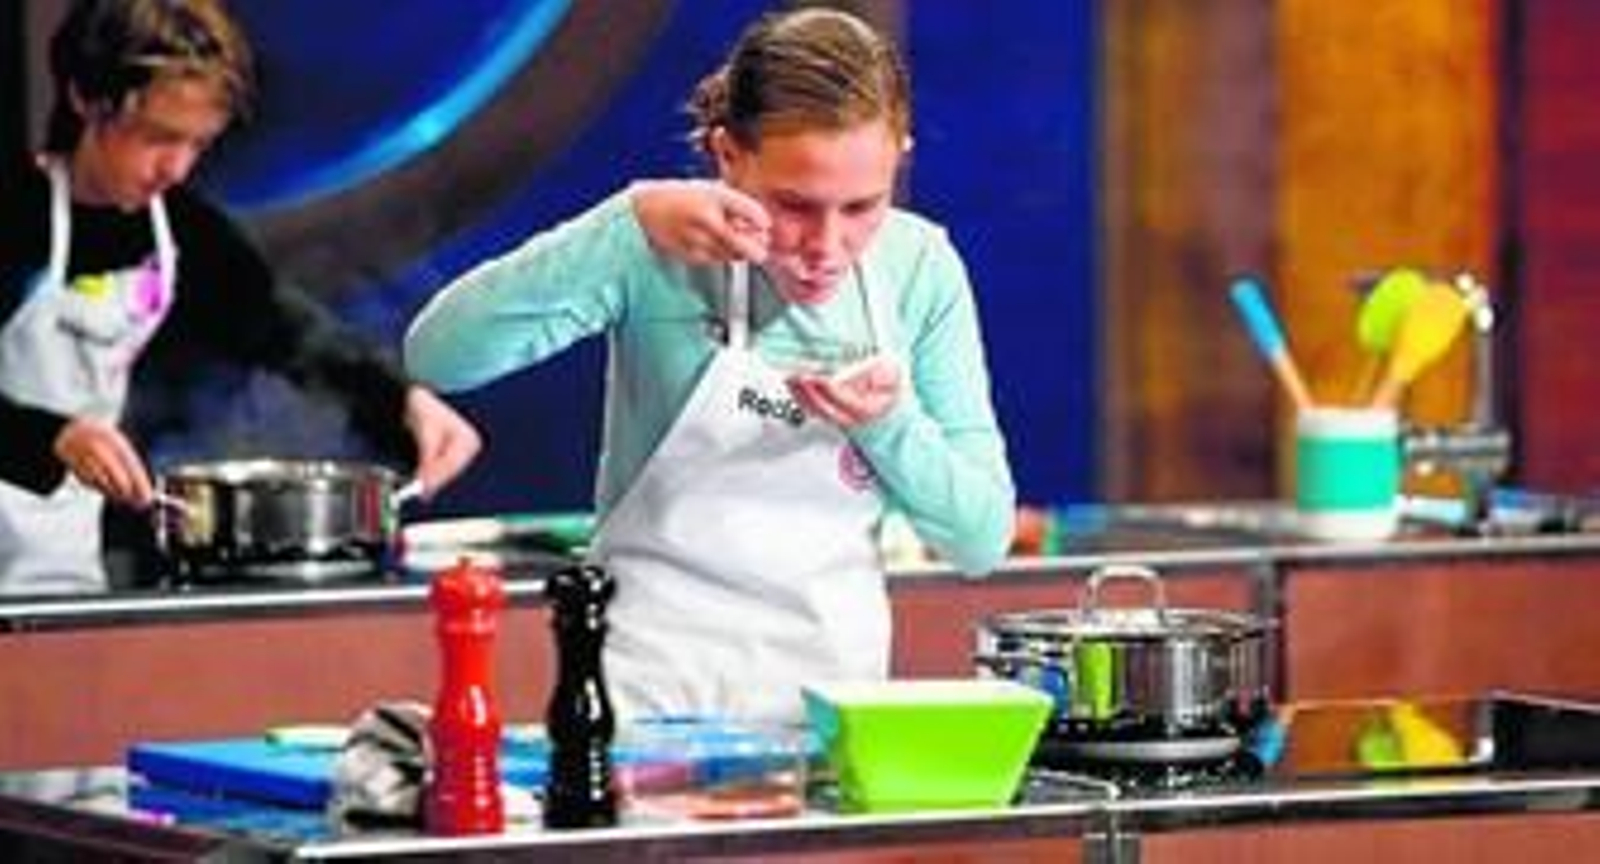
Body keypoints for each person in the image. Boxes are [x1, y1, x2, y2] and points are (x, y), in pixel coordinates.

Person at [405, 8, 1014, 722]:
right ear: (729, 156)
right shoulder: (652, 247)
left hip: (830, 711)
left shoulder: (921, 270)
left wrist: (888, 424)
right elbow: (440, 355)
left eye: (862, 206)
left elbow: (978, 539)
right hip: (644, 699)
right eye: (795, 204)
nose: (827, 245)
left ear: (900, 157)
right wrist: (622, 225)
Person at [0, 0, 482, 595]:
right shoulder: (15, 215)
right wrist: (48, 437)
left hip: (64, 572)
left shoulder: (182, 231)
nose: (175, 167)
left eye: (197, 144)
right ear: (85, 97)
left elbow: (286, 330)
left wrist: (405, 403)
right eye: (158, 137)